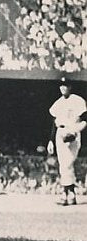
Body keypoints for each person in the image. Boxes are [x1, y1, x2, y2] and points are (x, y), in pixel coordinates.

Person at [47, 77, 86, 206]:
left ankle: (67, 193)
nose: (63, 87)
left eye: (66, 85)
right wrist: (51, 141)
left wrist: (75, 131)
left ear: (70, 87)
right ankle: (70, 194)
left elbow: (84, 119)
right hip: (61, 132)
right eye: (61, 85)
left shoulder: (77, 100)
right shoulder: (58, 103)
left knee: (67, 163)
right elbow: (54, 123)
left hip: (73, 131)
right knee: (63, 164)